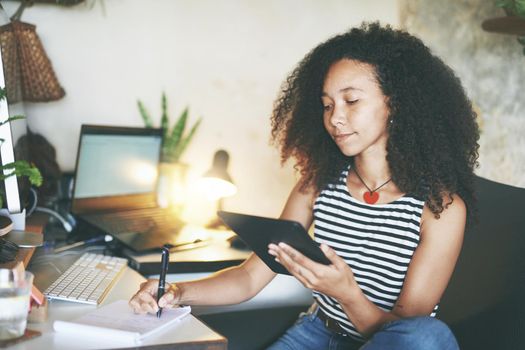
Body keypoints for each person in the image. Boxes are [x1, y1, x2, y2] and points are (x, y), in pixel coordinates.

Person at [129, 22, 480, 350]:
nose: (335, 118)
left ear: (396, 103)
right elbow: (249, 279)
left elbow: (402, 333)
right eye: (327, 105)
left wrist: (345, 293)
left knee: (427, 335)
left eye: (351, 101)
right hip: (317, 333)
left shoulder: (440, 208)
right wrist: (175, 291)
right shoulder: (317, 185)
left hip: (386, 342)